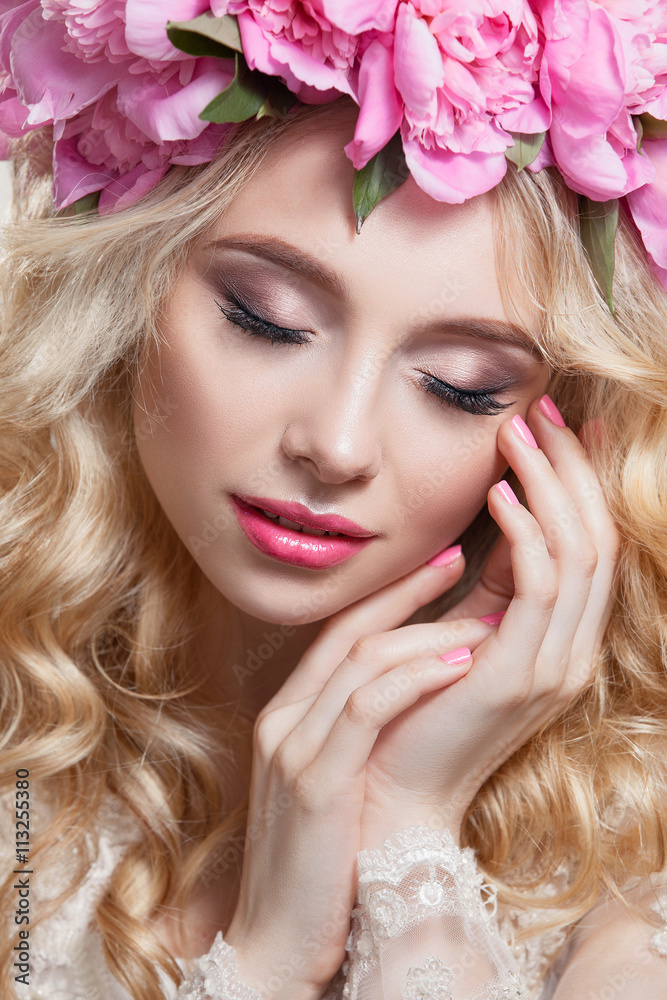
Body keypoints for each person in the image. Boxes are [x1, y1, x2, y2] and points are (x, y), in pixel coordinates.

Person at [0, 3, 666, 999]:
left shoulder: (624, 870)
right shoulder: (24, 770)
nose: (337, 446)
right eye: (263, 320)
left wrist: (408, 826)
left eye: (459, 384)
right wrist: (265, 961)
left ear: (561, 429)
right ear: (125, 284)